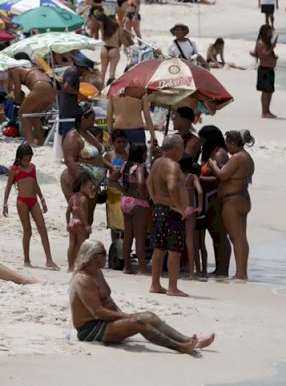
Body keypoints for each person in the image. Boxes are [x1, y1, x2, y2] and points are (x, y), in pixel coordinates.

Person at [70, 240, 214, 352]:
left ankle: (188, 339)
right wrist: (127, 317)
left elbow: (108, 301)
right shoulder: (84, 279)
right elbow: (97, 312)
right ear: (95, 257)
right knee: (139, 322)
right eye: (104, 253)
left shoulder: (97, 272)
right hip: (90, 329)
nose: (106, 256)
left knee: (149, 316)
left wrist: (122, 315)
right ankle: (180, 347)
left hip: (105, 321)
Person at [206, 131, 254, 281]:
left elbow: (222, 175)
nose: (226, 148)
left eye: (227, 144)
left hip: (232, 200)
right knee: (241, 237)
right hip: (242, 198)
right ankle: (242, 271)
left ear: (233, 143)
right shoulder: (247, 157)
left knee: (236, 237)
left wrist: (212, 164)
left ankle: (241, 273)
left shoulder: (238, 157)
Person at [148, 135, 191, 297]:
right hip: (172, 212)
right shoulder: (173, 166)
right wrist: (180, 207)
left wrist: (155, 199)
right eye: (181, 148)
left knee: (159, 249)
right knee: (174, 250)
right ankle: (172, 287)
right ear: (176, 148)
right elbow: (172, 187)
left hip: (159, 209)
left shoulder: (156, 163)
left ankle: (155, 284)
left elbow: (149, 183)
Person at [2, 144, 58, 270]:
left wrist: (42, 199)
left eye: (29, 159)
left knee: (42, 228)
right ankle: (26, 259)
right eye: (25, 160)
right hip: (22, 202)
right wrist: (5, 204)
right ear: (19, 158)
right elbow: (8, 187)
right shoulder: (14, 170)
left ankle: (49, 260)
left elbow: (35, 184)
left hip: (34, 200)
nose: (27, 162)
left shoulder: (32, 168)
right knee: (28, 231)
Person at [61, 109, 108, 225]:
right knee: (81, 218)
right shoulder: (73, 136)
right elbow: (69, 160)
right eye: (91, 119)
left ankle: (82, 242)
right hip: (80, 181)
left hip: (93, 183)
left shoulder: (88, 134)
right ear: (83, 118)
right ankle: (77, 243)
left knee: (88, 218)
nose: (94, 122)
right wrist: (84, 182)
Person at [197, 126, 231, 277]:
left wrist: (198, 180)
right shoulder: (209, 152)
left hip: (216, 197)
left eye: (202, 139)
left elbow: (221, 179)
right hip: (207, 197)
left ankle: (223, 269)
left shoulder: (220, 154)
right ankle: (219, 267)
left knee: (219, 234)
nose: (200, 142)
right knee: (213, 233)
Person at [118, 143, 150, 275]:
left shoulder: (125, 165)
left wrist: (123, 189)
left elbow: (113, 178)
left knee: (128, 236)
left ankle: (127, 267)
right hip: (138, 202)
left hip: (125, 200)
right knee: (139, 236)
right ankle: (142, 268)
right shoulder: (140, 167)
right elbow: (141, 182)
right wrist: (145, 195)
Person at [11, 58, 55, 147]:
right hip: (51, 88)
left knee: (22, 113)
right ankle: (41, 138)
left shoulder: (16, 71)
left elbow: (17, 90)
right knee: (32, 114)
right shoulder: (33, 68)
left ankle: (30, 140)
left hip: (40, 86)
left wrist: (16, 102)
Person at [67, 172, 97, 272]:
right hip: (80, 223)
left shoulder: (72, 197)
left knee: (71, 245)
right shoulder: (83, 199)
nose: (91, 190)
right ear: (83, 186)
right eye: (89, 187)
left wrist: (68, 223)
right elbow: (82, 213)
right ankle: (79, 265)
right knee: (82, 245)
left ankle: (70, 266)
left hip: (72, 222)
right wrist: (87, 225)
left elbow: (67, 212)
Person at [59, 59, 95, 139]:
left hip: (69, 106)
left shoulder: (71, 70)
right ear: (84, 68)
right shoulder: (73, 72)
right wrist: (80, 95)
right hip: (68, 108)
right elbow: (67, 87)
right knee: (68, 134)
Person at [253, 25, 278, 119]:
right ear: (264, 32)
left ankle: (268, 110)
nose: (271, 34)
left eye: (271, 32)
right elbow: (263, 56)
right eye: (269, 32)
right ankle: (264, 112)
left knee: (270, 91)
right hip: (264, 70)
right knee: (265, 91)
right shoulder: (260, 43)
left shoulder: (267, 43)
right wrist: (272, 47)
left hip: (270, 69)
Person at [95, 13, 123, 86]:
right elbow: (120, 39)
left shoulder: (103, 27)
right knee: (112, 72)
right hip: (114, 48)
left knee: (103, 70)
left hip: (104, 48)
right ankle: (109, 90)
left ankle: (100, 90)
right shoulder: (117, 26)